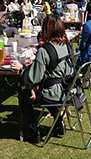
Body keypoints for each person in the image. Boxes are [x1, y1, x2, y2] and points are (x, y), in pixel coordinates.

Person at [11, 14, 74, 143]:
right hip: (67, 91)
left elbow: (33, 78)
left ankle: (34, 131)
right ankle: (58, 125)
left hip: (52, 92)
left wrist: (21, 69)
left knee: (23, 95)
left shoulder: (44, 50)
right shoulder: (67, 46)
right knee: (46, 92)